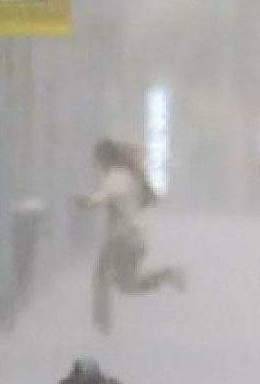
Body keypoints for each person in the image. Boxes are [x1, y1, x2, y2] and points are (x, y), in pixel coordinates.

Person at [76, 139, 183, 335]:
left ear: (104, 158)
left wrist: (86, 201)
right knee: (125, 284)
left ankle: (103, 324)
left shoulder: (118, 176)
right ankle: (166, 276)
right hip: (131, 237)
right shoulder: (124, 175)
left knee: (104, 279)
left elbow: (108, 195)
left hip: (124, 238)